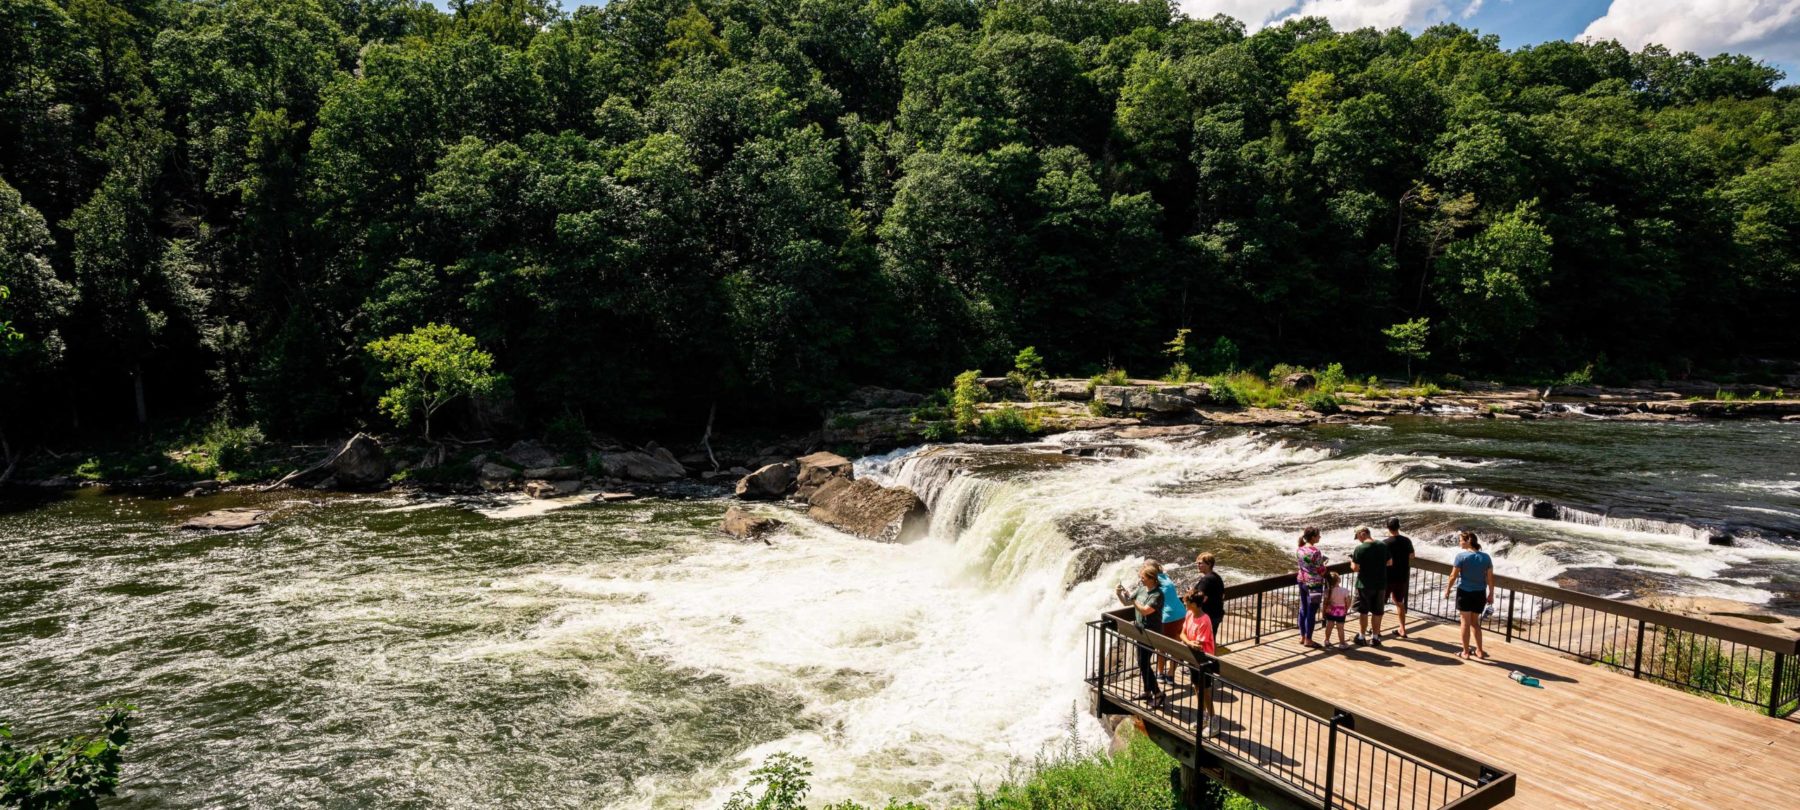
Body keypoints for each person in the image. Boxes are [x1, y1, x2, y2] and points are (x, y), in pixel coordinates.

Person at [1115, 564, 1167, 708]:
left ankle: (1158, 693)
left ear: (1151, 578)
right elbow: (1127, 602)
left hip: (1151, 633)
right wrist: (1119, 593)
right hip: (1140, 631)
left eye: (1143, 577)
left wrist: (1133, 601)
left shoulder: (1157, 595)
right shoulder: (1141, 589)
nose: (1141, 580)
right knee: (1141, 662)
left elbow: (1145, 611)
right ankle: (1147, 691)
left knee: (1144, 663)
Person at [1445, 530, 1496, 660]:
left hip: (1464, 593)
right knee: (1475, 623)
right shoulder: (1486, 557)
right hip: (1480, 593)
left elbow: (1453, 576)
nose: (1459, 542)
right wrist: (1491, 594)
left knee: (1465, 623)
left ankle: (1466, 652)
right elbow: (1490, 578)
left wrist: (1448, 589)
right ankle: (1479, 651)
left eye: (1461, 540)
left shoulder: (1461, 557)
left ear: (1468, 541)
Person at [1178, 592, 1216, 732]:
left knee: (1205, 691)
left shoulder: (1204, 620)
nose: (1184, 604)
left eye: (1186, 602)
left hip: (1204, 660)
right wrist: (1188, 642)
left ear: (1194, 604)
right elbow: (1182, 634)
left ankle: (1213, 721)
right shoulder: (1189, 615)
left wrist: (1188, 642)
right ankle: (1203, 716)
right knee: (1196, 688)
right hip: (1192, 658)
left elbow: (1198, 644)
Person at [1349, 527, 1390, 646]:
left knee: (1364, 611)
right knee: (1377, 612)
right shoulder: (1382, 545)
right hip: (1380, 583)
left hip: (1364, 584)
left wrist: (1351, 561)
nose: (1358, 540)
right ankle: (1375, 638)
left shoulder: (1360, 549)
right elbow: (1390, 562)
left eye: (1358, 537)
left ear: (1362, 534)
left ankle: (1361, 636)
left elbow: (1355, 568)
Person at [1150, 560, 1187, 685]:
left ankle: (1160, 674)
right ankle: (1170, 675)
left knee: (1161, 647)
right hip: (1181, 613)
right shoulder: (1166, 577)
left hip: (1167, 617)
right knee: (1176, 645)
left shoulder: (1154, 581)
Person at [1384, 517, 1416, 639]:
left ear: (1388, 528)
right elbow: (1412, 555)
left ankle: (1376, 629)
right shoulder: (1407, 540)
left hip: (1388, 577)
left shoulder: (1385, 543)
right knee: (1399, 602)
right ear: (1399, 527)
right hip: (1402, 576)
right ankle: (1402, 628)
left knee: (1380, 603)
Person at [1295, 527, 1327, 649]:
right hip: (1314, 584)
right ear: (1313, 537)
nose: (1320, 537)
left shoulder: (1300, 549)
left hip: (1302, 580)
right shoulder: (1315, 552)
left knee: (1303, 609)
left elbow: (1304, 565)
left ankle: (1302, 636)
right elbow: (1321, 570)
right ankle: (1309, 639)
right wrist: (1325, 567)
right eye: (1318, 535)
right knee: (1311, 612)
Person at [1186, 552, 1225, 642]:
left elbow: (1201, 598)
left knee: (1204, 642)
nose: (1198, 565)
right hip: (1217, 614)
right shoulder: (1217, 577)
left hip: (1208, 616)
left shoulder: (1206, 580)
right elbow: (1223, 595)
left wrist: (1191, 593)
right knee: (1211, 640)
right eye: (1197, 563)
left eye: (1200, 563)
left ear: (1209, 564)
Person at [1321, 570, 1351, 648]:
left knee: (1329, 626)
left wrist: (1323, 612)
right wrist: (1346, 609)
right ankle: (1342, 643)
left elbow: (1324, 603)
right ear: (1339, 580)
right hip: (1340, 612)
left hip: (1330, 611)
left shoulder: (1327, 591)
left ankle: (1326, 640)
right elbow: (1348, 602)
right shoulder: (1344, 591)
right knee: (1340, 628)